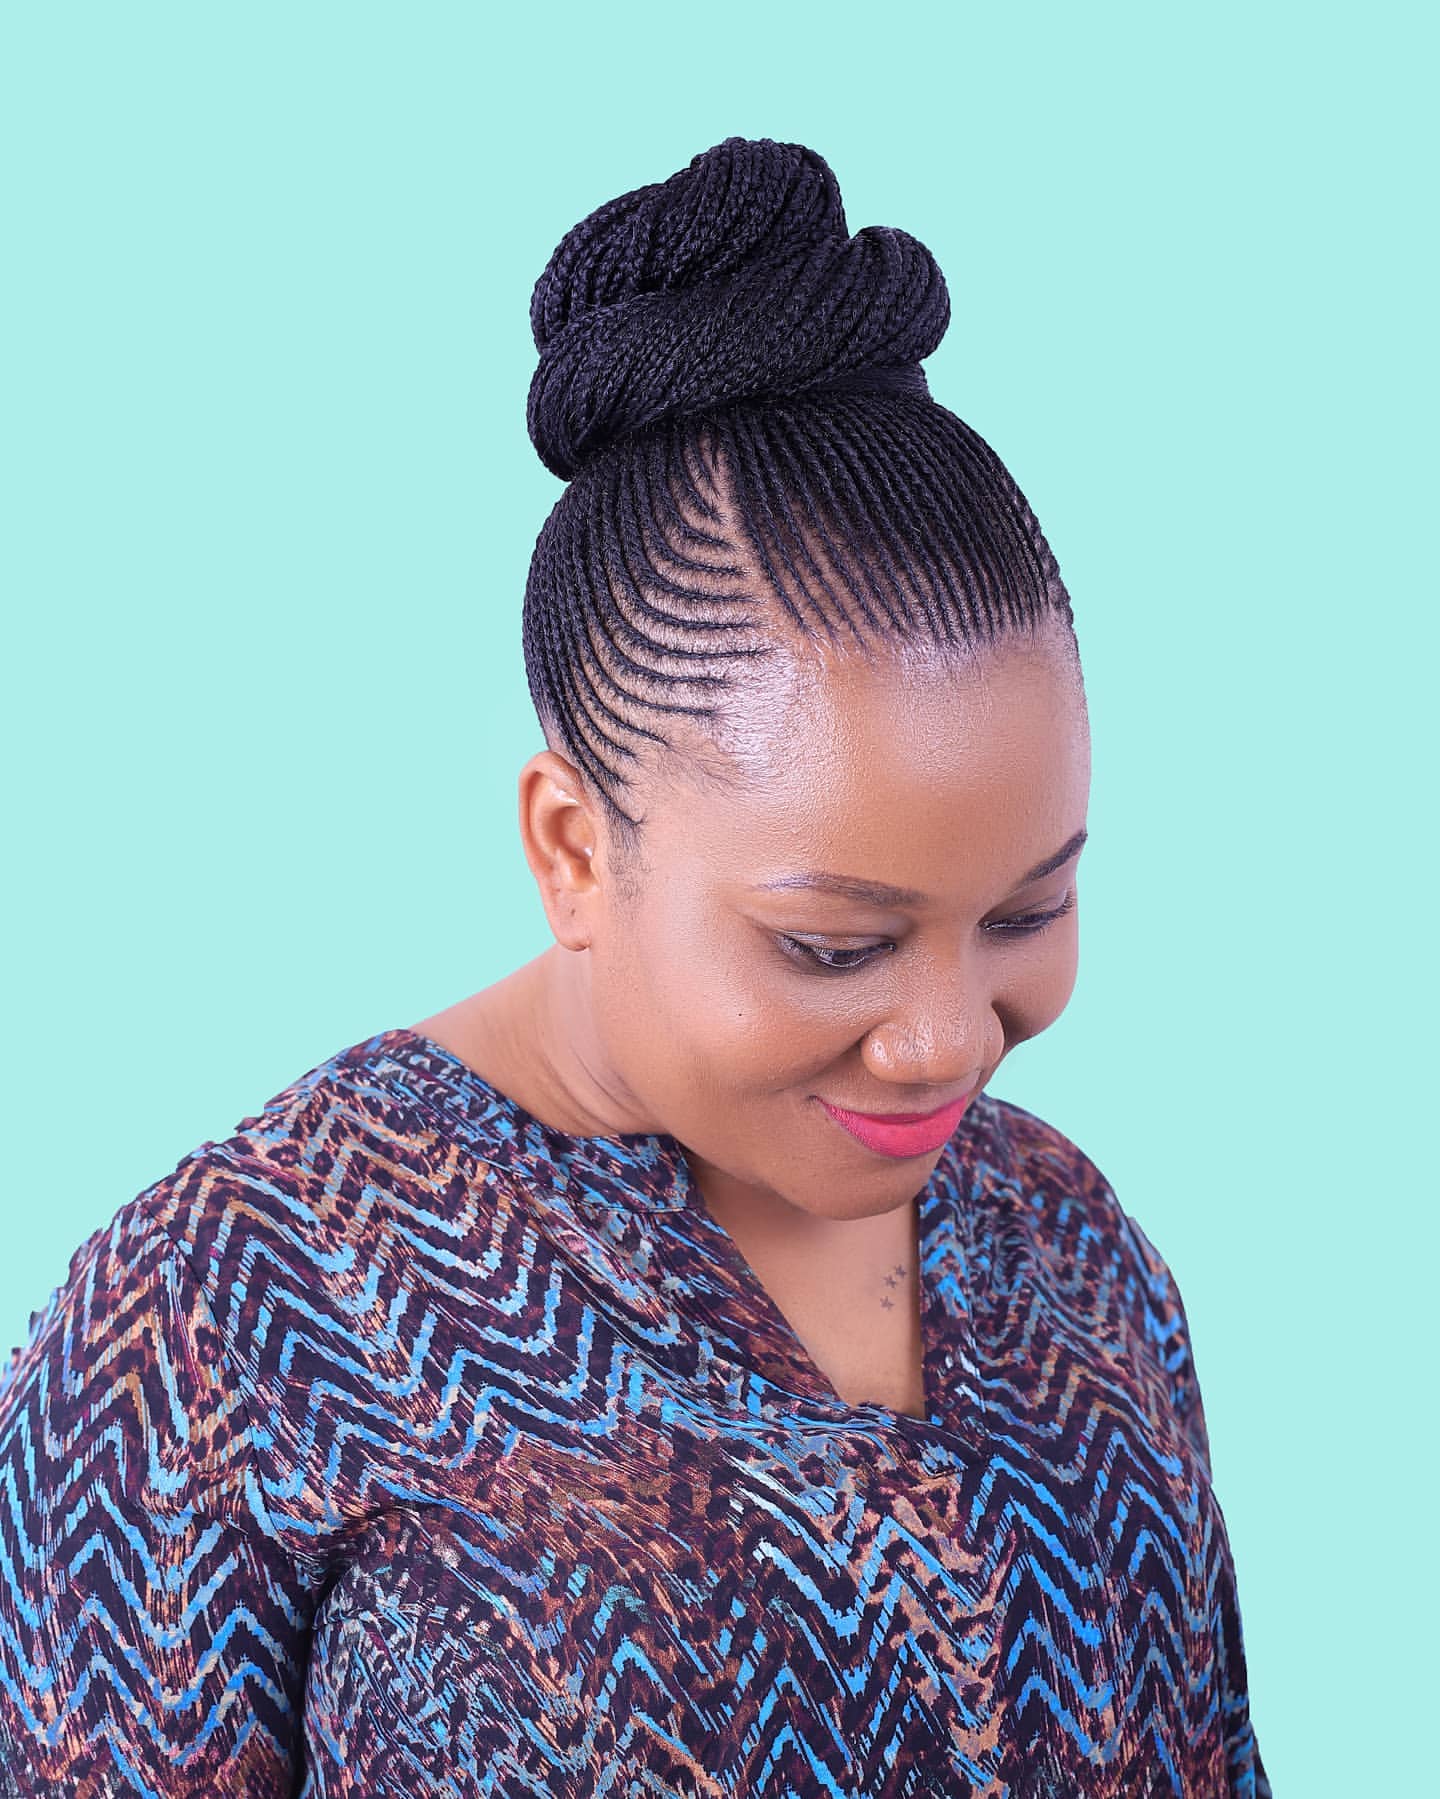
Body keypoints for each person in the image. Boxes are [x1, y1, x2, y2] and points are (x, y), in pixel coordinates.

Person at [0, 136, 1268, 1798]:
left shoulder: (1071, 1247)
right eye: (836, 944)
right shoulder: (221, 1312)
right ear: (573, 850)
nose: (950, 1038)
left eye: (1028, 913)